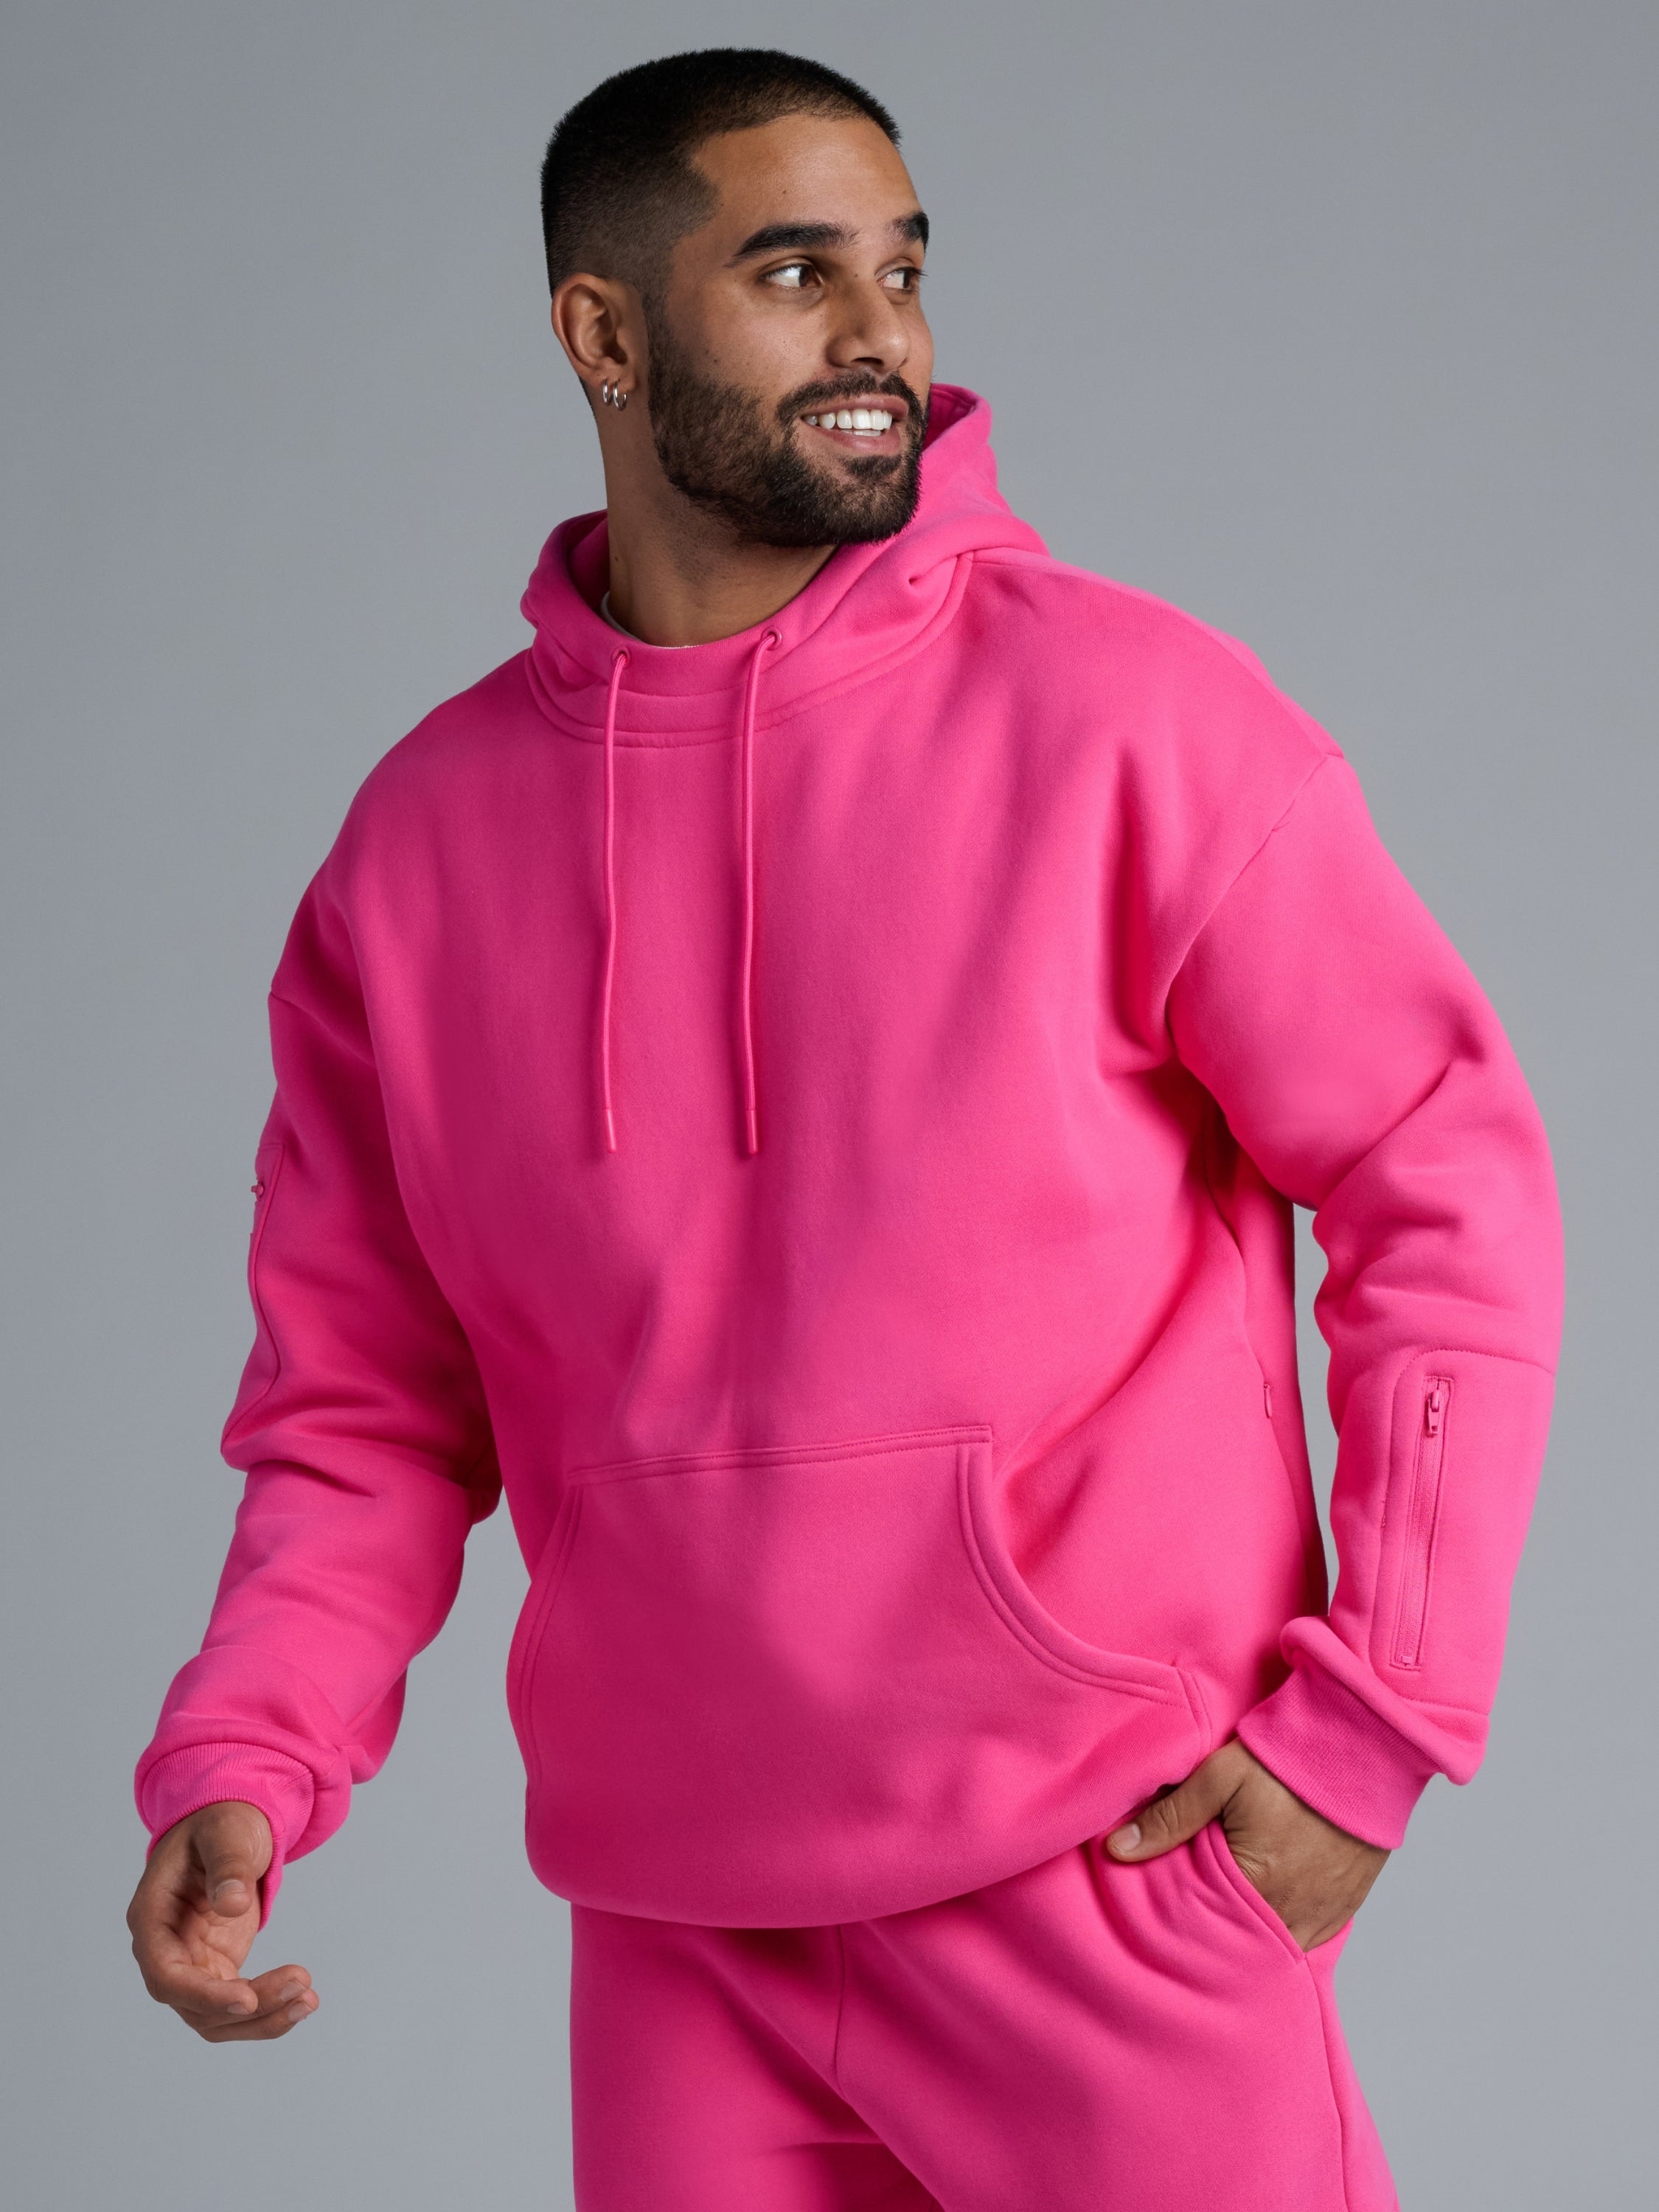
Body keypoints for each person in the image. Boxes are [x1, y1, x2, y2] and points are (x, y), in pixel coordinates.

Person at [126, 47, 1562, 2211]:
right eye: (796, 274)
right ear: (604, 334)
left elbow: (1446, 1179)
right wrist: (251, 1757)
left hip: (1107, 1878)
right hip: (675, 1929)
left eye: (903, 266)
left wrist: (1377, 1726)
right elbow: (365, 1404)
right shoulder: (415, 854)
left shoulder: (1130, 718)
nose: (882, 332)